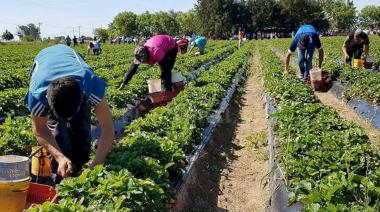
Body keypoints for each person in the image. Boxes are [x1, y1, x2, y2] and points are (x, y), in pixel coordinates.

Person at [24, 44, 114, 183]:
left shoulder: (90, 84)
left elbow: (108, 129)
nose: (69, 118)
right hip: (44, 61)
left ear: (82, 99)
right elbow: (40, 130)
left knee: (81, 130)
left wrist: (95, 165)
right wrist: (60, 157)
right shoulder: (36, 96)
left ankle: (78, 167)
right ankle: (61, 176)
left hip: (71, 59)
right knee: (57, 134)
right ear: (49, 103)